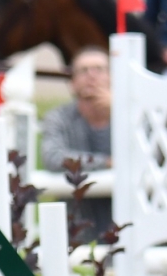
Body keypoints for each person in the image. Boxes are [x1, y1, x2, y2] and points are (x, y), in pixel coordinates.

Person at [41, 46, 114, 243]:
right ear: (72, 82)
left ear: (112, 77)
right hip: (77, 231)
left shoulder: (131, 115)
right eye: (83, 70)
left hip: (126, 226)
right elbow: (54, 158)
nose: (91, 76)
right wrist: (106, 163)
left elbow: (149, 155)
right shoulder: (58, 117)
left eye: (99, 69)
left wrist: (119, 109)